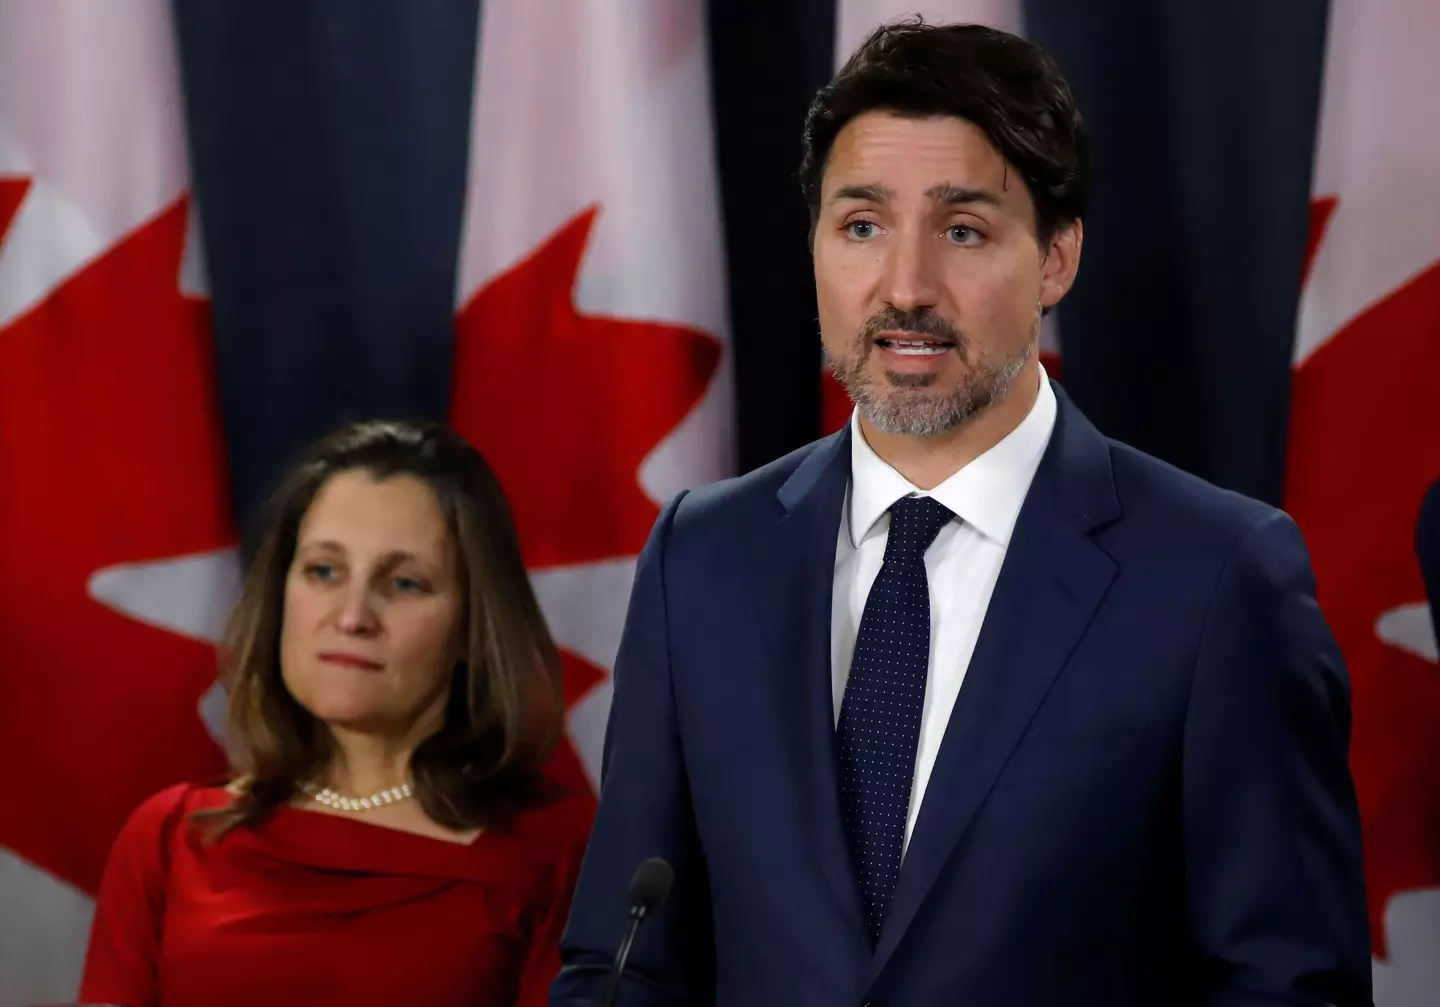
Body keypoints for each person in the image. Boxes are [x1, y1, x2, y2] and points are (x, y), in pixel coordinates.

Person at [552, 19, 1371, 1006]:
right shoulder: (703, 555)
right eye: (862, 226)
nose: (904, 287)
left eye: (963, 229)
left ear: (1057, 257)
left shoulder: (1218, 575)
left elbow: (1290, 984)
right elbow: (624, 959)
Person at [81, 420, 593, 1007]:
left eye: (403, 583)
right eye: (324, 571)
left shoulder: (563, 849)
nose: (352, 617)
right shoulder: (170, 836)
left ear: (471, 628)